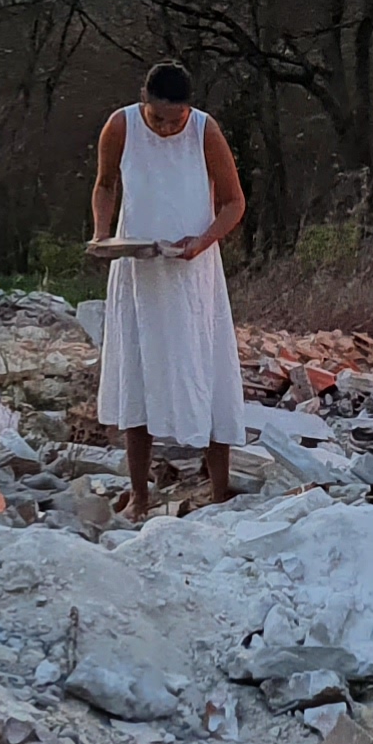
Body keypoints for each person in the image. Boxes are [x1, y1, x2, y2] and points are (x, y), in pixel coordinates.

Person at [92, 59, 247, 516]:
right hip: (138, 272)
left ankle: (219, 492)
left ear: (188, 109)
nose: (165, 126)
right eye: (157, 117)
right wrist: (103, 234)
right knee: (137, 374)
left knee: (204, 367)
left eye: (173, 119)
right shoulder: (120, 126)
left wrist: (202, 241)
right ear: (145, 101)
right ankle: (141, 493)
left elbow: (234, 201)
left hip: (191, 274)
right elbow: (105, 185)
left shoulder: (204, 130)